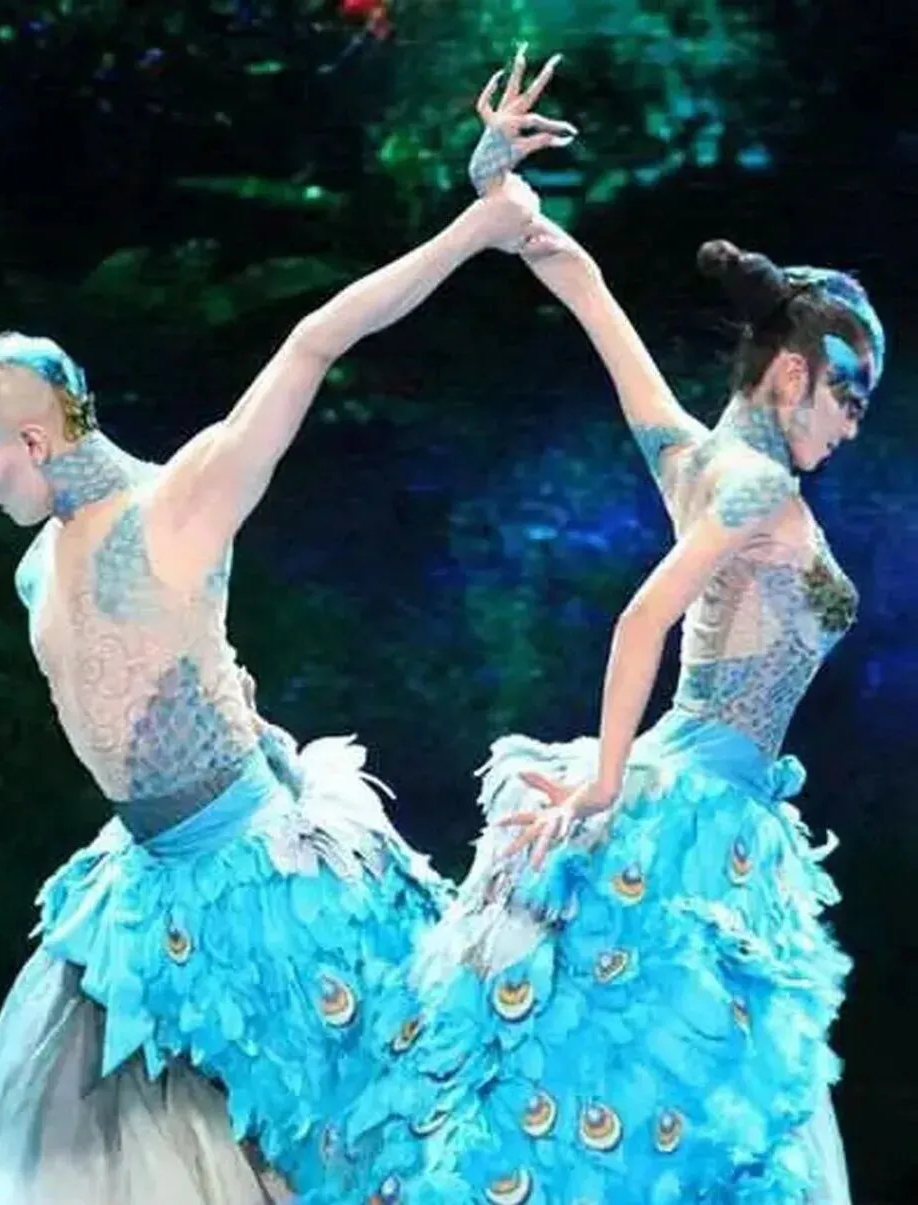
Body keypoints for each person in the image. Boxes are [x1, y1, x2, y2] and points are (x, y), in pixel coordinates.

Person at [0, 172, 553, 1205]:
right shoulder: (36, 564)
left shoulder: (176, 504)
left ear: (33, 439)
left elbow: (315, 340)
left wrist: (480, 224)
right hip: (145, 887)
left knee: (327, 1138)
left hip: (258, 875)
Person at [336, 53, 882, 1205]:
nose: (852, 425)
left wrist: (498, 188)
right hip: (692, 808)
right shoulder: (752, 488)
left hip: (712, 797)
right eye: (849, 397)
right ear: (792, 375)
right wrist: (603, 778)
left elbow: (578, 280)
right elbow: (643, 615)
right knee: (664, 1107)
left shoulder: (693, 453)